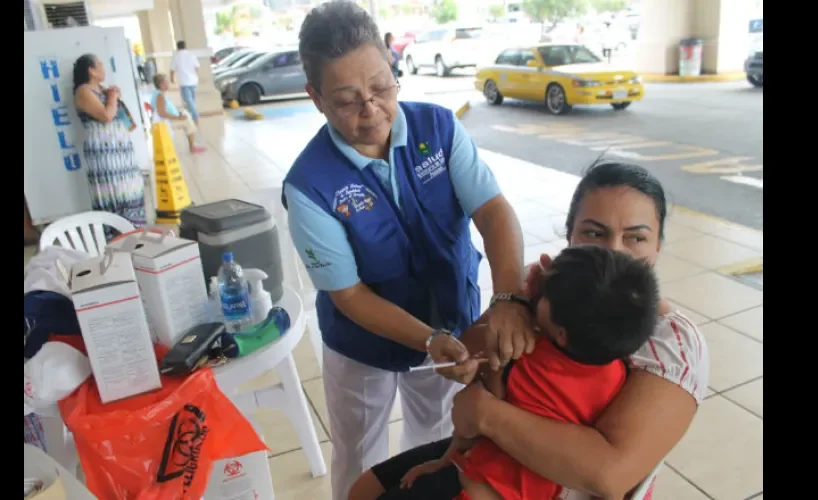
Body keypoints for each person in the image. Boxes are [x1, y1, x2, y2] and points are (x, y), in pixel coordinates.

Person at [284, 3, 532, 499]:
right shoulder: (310, 184)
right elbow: (350, 295)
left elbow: (493, 213)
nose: (370, 109)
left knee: (435, 441)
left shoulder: (437, 130)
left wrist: (508, 300)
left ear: (393, 67)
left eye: (380, 87)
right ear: (316, 98)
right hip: (362, 345)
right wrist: (426, 338)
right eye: (346, 100)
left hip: (451, 322)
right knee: (359, 455)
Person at [350, 162, 710, 500]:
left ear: (659, 243)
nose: (612, 252)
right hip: (491, 450)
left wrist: (486, 413)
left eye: (635, 238)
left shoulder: (670, 343)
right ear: (569, 234)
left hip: (555, 484)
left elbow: (608, 474)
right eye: (594, 233)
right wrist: (514, 305)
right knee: (365, 489)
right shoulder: (541, 290)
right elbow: (459, 365)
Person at [394, 245, 660, 500]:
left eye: (544, 296)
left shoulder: (523, 358)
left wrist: (442, 462)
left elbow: (469, 424)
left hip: (471, 486)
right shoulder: (622, 374)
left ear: (562, 334)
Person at [73, 54, 146, 233]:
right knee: (112, 191)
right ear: (91, 70)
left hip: (120, 151)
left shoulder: (102, 89)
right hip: (103, 153)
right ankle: (116, 235)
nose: (103, 69)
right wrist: (112, 96)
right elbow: (106, 116)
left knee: (129, 189)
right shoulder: (83, 91)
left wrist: (113, 95)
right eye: (100, 65)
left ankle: (134, 230)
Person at [151, 74, 206, 154]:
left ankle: (192, 145)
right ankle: (192, 148)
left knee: (185, 113)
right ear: (161, 84)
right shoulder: (160, 96)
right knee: (188, 121)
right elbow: (162, 113)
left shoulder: (159, 93)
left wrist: (178, 114)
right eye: (166, 82)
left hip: (168, 119)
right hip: (165, 122)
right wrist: (178, 118)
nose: (168, 83)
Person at [171, 40, 201, 126]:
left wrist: (172, 79)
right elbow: (197, 68)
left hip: (184, 82)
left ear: (177, 47)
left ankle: (195, 117)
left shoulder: (176, 56)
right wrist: (195, 75)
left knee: (189, 101)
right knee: (192, 101)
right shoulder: (191, 55)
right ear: (185, 46)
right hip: (193, 81)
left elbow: (172, 69)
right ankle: (192, 117)